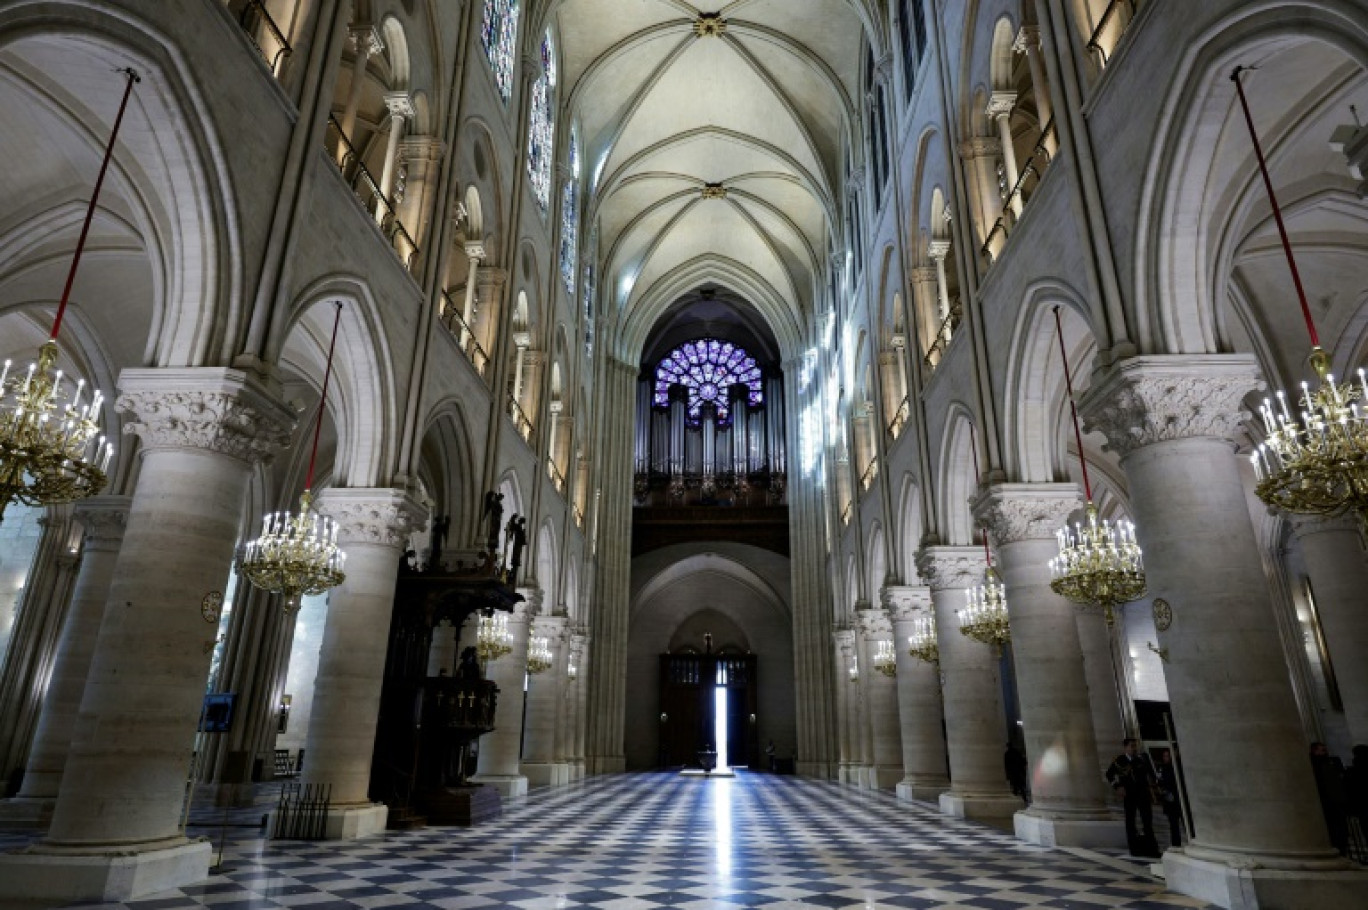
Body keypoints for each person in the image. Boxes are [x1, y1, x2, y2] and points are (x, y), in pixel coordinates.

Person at [1106, 738, 1160, 858]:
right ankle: (1134, 849)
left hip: (1143, 793)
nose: (1134, 749)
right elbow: (1109, 774)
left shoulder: (1141, 758)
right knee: (1130, 822)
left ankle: (1152, 849)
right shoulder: (1119, 760)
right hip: (1129, 795)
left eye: (1135, 746)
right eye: (1131, 746)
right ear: (1125, 748)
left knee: (1147, 821)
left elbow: (1150, 773)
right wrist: (1117, 786)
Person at [1310, 742, 1349, 855]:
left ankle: (1342, 848)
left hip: (1336, 800)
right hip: (1323, 801)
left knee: (1340, 828)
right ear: (1314, 751)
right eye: (1322, 750)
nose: (1325, 752)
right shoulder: (1313, 763)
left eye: (1325, 750)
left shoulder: (1333, 762)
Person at [1156, 748, 1184, 847]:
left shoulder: (1178, 768)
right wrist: (1163, 792)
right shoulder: (1162, 768)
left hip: (1179, 800)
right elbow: (1159, 782)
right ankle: (1176, 844)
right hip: (1169, 801)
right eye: (1164, 756)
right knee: (1173, 825)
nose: (1166, 758)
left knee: (1185, 824)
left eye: (1168, 756)